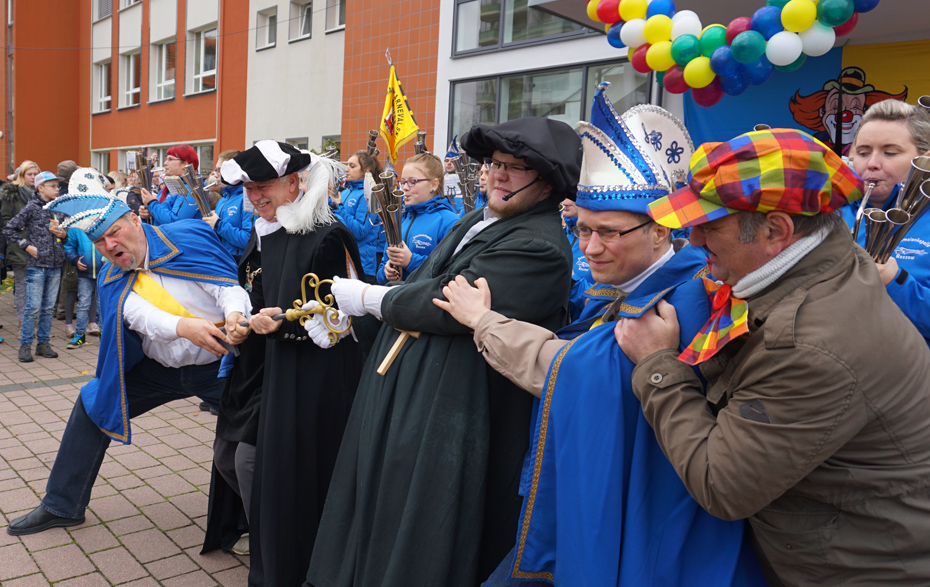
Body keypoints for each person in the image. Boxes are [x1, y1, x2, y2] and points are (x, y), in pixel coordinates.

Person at [435, 92, 762, 586]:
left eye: (608, 232)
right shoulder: (624, 285)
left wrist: (483, 321)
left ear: (661, 231)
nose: (589, 248)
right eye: (582, 229)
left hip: (654, 523)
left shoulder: (685, 301)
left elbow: (570, 366)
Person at [616, 128, 930, 585]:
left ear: (776, 231)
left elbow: (721, 486)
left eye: (710, 226)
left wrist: (657, 365)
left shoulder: (810, 347)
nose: (693, 238)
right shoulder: (833, 256)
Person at [306, 117, 580, 587]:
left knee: (423, 532)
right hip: (412, 399)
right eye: (496, 163)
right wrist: (353, 321)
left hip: (455, 414)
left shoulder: (540, 246)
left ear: (548, 182)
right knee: (379, 511)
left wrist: (368, 299)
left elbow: (444, 302)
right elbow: (422, 281)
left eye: (515, 168)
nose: (498, 175)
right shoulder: (480, 218)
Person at [6, 168, 250, 536]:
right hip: (158, 371)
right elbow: (141, 317)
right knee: (92, 404)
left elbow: (226, 286)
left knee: (258, 432)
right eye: (100, 241)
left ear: (135, 220)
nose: (110, 245)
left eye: (115, 232)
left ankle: (260, 522)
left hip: (219, 367)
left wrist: (234, 315)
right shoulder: (110, 275)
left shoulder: (187, 235)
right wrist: (184, 327)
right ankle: (61, 505)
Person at [204, 141, 365, 585]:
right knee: (233, 457)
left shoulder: (329, 235)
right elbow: (255, 290)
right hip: (264, 370)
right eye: (248, 189)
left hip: (311, 380)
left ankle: (295, 558)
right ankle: (273, 544)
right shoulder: (264, 230)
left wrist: (282, 326)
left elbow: (345, 319)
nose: (254, 197)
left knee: (269, 467)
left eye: (263, 187)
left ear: (294, 183)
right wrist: (242, 321)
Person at [840, 99, 930, 341]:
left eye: (890, 153)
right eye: (863, 152)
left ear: (925, 159)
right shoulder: (831, 213)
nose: (872, 164)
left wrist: (895, 281)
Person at [3, 171, 67, 362]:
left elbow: (66, 234)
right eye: (53, 186)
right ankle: (25, 345)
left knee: (48, 308)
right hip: (37, 266)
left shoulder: (59, 208)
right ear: (41, 188)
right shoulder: (31, 208)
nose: (57, 189)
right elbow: (9, 229)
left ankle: (43, 344)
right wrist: (27, 246)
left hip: (55, 265)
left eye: (58, 186)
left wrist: (64, 235)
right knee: (33, 308)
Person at [377, 153, 459, 284]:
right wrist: (386, 272)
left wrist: (411, 261)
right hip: (396, 295)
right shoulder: (400, 220)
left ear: (433, 185)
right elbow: (382, 268)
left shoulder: (448, 221)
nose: (404, 187)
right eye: (403, 182)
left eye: (412, 181)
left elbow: (451, 272)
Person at [333, 150, 385, 281]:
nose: (346, 169)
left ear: (366, 171)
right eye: (347, 165)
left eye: (352, 166)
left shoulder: (369, 195)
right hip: (342, 260)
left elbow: (360, 231)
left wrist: (339, 208)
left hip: (362, 265)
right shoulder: (344, 192)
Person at [0, 160, 40, 325]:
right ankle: (23, 323)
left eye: (36, 174)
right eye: (29, 174)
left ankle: (33, 321)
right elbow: (5, 218)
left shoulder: (42, 192)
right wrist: (19, 225)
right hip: (19, 245)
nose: (33, 177)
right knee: (22, 285)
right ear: (22, 176)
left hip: (39, 245)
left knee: (36, 287)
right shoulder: (12, 194)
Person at [203, 149, 252, 260]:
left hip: (238, 262)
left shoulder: (247, 198)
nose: (216, 175)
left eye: (220, 170)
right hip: (221, 259)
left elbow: (248, 240)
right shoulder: (223, 199)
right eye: (215, 170)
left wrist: (218, 224)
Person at [63, 223, 104, 349]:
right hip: (84, 271)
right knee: (83, 303)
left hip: (103, 271)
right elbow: (69, 246)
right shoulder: (76, 226)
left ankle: (104, 335)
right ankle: (80, 334)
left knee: (102, 304)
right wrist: (75, 260)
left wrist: (108, 259)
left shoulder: (104, 221)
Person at [140, 144, 201, 225]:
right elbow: (159, 219)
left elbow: (175, 222)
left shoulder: (191, 189)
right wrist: (146, 215)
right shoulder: (167, 187)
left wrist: (152, 203)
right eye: (166, 159)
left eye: (170, 159)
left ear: (185, 164)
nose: (165, 163)